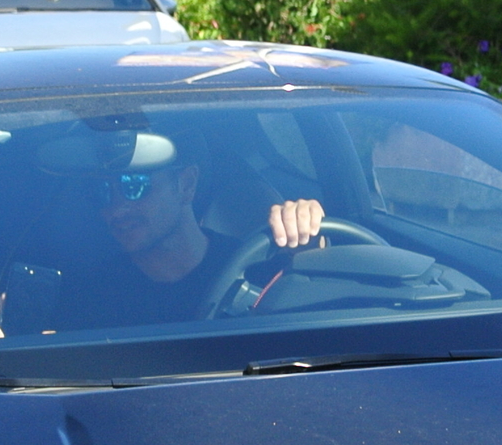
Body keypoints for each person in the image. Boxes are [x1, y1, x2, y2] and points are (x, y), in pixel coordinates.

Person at [47, 140, 327, 330]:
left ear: (186, 184)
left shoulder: (258, 269)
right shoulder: (87, 296)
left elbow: (323, 324)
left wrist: (314, 247)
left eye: (135, 185)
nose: (117, 208)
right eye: (102, 193)